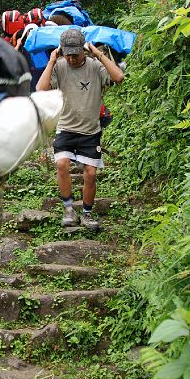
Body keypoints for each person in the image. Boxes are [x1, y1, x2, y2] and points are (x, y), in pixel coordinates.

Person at [36, 27, 124, 229]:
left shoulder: (95, 66)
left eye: (76, 54)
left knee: (91, 173)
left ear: (83, 50)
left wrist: (99, 54)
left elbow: (118, 77)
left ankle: (87, 213)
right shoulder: (59, 66)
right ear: (62, 52)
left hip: (90, 130)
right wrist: (51, 61)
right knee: (62, 164)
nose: (72, 59)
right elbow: (40, 89)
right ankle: (68, 210)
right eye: (68, 55)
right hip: (66, 127)